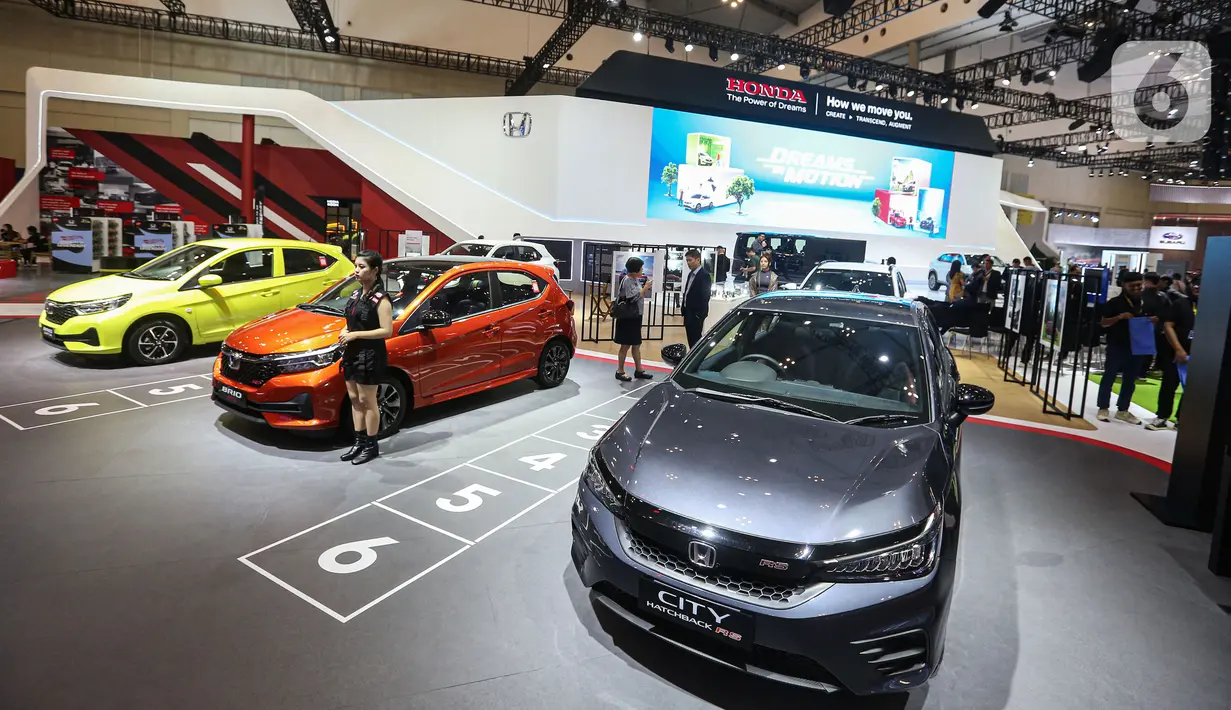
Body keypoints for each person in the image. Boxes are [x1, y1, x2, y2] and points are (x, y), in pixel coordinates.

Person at [338, 251, 394, 465]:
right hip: (352, 352)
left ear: (375, 270)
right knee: (354, 399)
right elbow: (351, 321)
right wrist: (346, 331)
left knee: (368, 401)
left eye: (362, 267)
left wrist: (356, 334)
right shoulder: (355, 295)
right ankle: (359, 442)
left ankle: (371, 446)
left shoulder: (382, 299)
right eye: (356, 266)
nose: (356, 271)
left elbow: (386, 331)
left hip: (370, 355)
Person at [1096, 271, 1157, 424]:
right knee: (1109, 376)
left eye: (1139, 284)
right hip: (1117, 345)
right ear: (1124, 285)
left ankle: (1123, 410)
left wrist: (1154, 321)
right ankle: (1103, 407)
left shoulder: (1145, 302)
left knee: (1130, 380)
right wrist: (1118, 317)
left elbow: (1156, 321)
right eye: (1133, 285)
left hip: (1138, 346)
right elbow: (1103, 323)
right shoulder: (1114, 303)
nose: (1137, 288)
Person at [1144, 273, 1193, 431]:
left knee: (1193, 390)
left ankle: (1182, 419)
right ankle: (1162, 416)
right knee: (1168, 385)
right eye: (1196, 284)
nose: (1198, 287)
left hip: (1201, 355)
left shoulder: (1216, 307)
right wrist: (1178, 349)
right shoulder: (1182, 303)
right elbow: (1168, 325)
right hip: (1175, 352)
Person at [613, 256, 654, 382]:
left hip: (635, 316)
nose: (643, 269)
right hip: (628, 318)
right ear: (636, 269)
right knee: (625, 345)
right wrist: (645, 288)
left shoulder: (633, 279)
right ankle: (620, 371)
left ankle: (639, 369)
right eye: (641, 267)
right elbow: (632, 298)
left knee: (636, 344)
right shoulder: (628, 280)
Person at [681, 248, 712, 348]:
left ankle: (695, 361)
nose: (688, 263)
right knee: (690, 338)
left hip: (696, 314)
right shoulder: (691, 274)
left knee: (696, 340)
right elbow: (687, 292)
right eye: (687, 261)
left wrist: (699, 315)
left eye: (690, 260)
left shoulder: (704, 275)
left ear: (698, 260)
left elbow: (705, 296)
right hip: (688, 312)